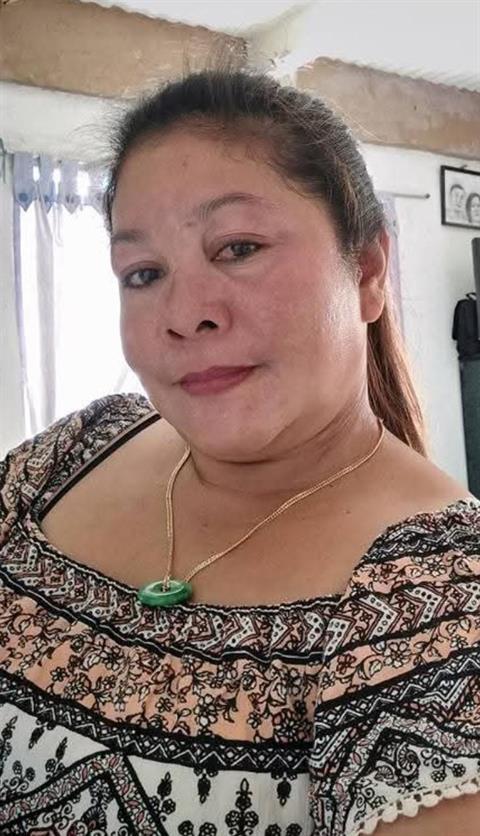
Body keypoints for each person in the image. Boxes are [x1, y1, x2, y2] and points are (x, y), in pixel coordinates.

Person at [0, 68, 479, 836]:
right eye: (144, 273)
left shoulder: (442, 594)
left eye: (239, 247)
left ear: (367, 270)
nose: (184, 314)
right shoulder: (68, 455)